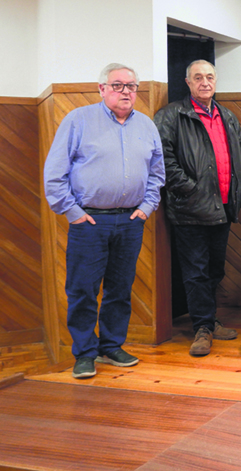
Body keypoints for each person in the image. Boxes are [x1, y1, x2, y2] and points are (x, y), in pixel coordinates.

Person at [44, 63, 165, 379]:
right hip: (89, 223)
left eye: (131, 86)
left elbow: (157, 173)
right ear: (102, 89)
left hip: (130, 221)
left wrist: (147, 207)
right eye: (117, 85)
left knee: (120, 289)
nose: (126, 91)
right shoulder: (78, 120)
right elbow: (55, 173)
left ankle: (111, 346)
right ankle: (85, 353)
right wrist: (73, 213)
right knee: (82, 290)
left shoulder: (147, 126)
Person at [154, 60, 241, 357]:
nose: (205, 82)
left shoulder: (227, 116)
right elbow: (162, 159)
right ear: (188, 82)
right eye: (198, 78)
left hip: (223, 207)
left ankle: (210, 319)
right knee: (195, 272)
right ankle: (203, 328)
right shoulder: (171, 115)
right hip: (190, 209)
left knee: (215, 269)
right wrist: (190, 189)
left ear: (215, 81)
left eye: (209, 77)